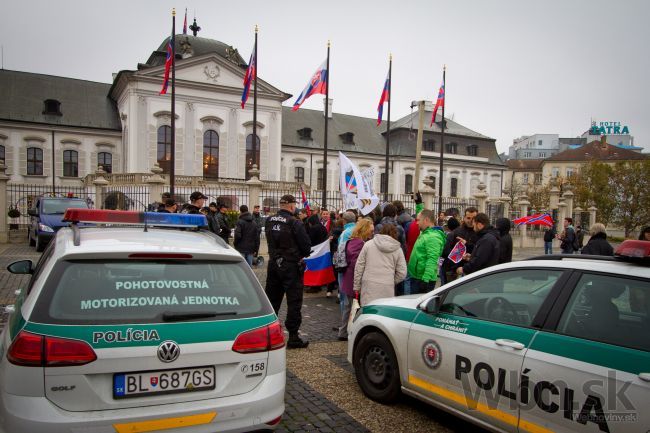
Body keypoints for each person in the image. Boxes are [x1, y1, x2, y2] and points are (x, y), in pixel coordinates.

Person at [265, 194, 312, 349]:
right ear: (292, 206)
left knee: (272, 300)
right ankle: (293, 336)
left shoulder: (269, 220)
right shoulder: (294, 223)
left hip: (274, 264)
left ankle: (267, 333)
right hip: (291, 266)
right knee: (294, 301)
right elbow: (306, 247)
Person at [337, 218, 373, 340]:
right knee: (354, 307)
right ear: (365, 230)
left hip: (348, 278)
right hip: (354, 279)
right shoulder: (360, 243)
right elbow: (357, 263)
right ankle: (350, 332)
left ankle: (343, 332)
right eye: (370, 230)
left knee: (348, 307)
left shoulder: (352, 241)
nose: (371, 233)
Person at [354, 224, 407, 306]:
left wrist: (357, 286)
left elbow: (359, 266)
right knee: (383, 314)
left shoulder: (368, 244)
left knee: (367, 312)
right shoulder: (398, 249)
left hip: (369, 285)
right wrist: (391, 280)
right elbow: (402, 273)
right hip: (387, 286)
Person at [407, 209, 447, 294]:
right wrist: (418, 204)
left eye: (418, 220)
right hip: (418, 277)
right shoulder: (426, 232)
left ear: (426, 220)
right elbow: (424, 213)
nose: (417, 223)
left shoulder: (433, 237)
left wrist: (425, 280)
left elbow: (432, 260)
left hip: (423, 279)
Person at [441, 207, 479, 283]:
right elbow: (445, 252)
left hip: (472, 271)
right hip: (453, 271)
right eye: (468, 218)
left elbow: (480, 251)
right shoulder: (456, 232)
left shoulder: (480, 233)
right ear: (464, 218)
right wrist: (460, 256)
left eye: (474, 218)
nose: (471, 221)